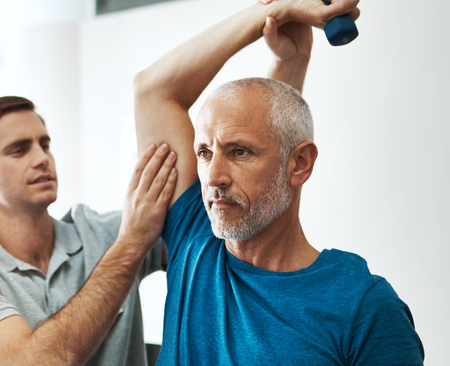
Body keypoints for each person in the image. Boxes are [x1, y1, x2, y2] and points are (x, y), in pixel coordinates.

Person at [132, 0, 425, 364]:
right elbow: (152, 90)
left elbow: (269, 129)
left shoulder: (362, 306)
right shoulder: (195, 240)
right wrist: (270, 13)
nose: (214, 178)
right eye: (205, 153)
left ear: (300, 164)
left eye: (239, 153)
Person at [0, 96, 178, 366]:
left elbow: (205, 243)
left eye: (45, 145)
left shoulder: (111, 232)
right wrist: (130, 246)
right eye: (19, 150)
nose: (43, 158)